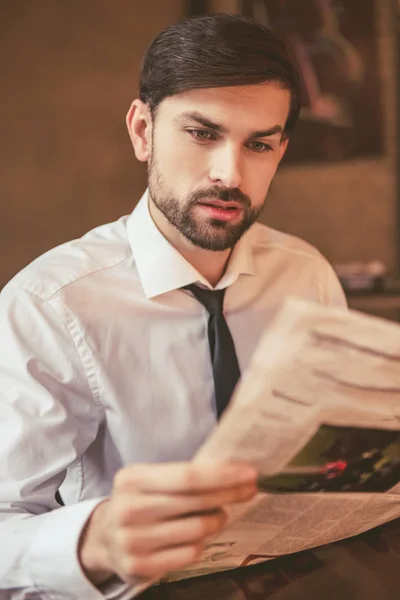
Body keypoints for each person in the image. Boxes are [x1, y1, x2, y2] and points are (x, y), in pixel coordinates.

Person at [0, 12, 346, 600]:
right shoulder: (45, 305)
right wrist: (93, 542)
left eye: (258, 144)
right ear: (142, 131)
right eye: (202, 133)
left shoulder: (306, 274)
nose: (229, 174)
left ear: (280, 150)